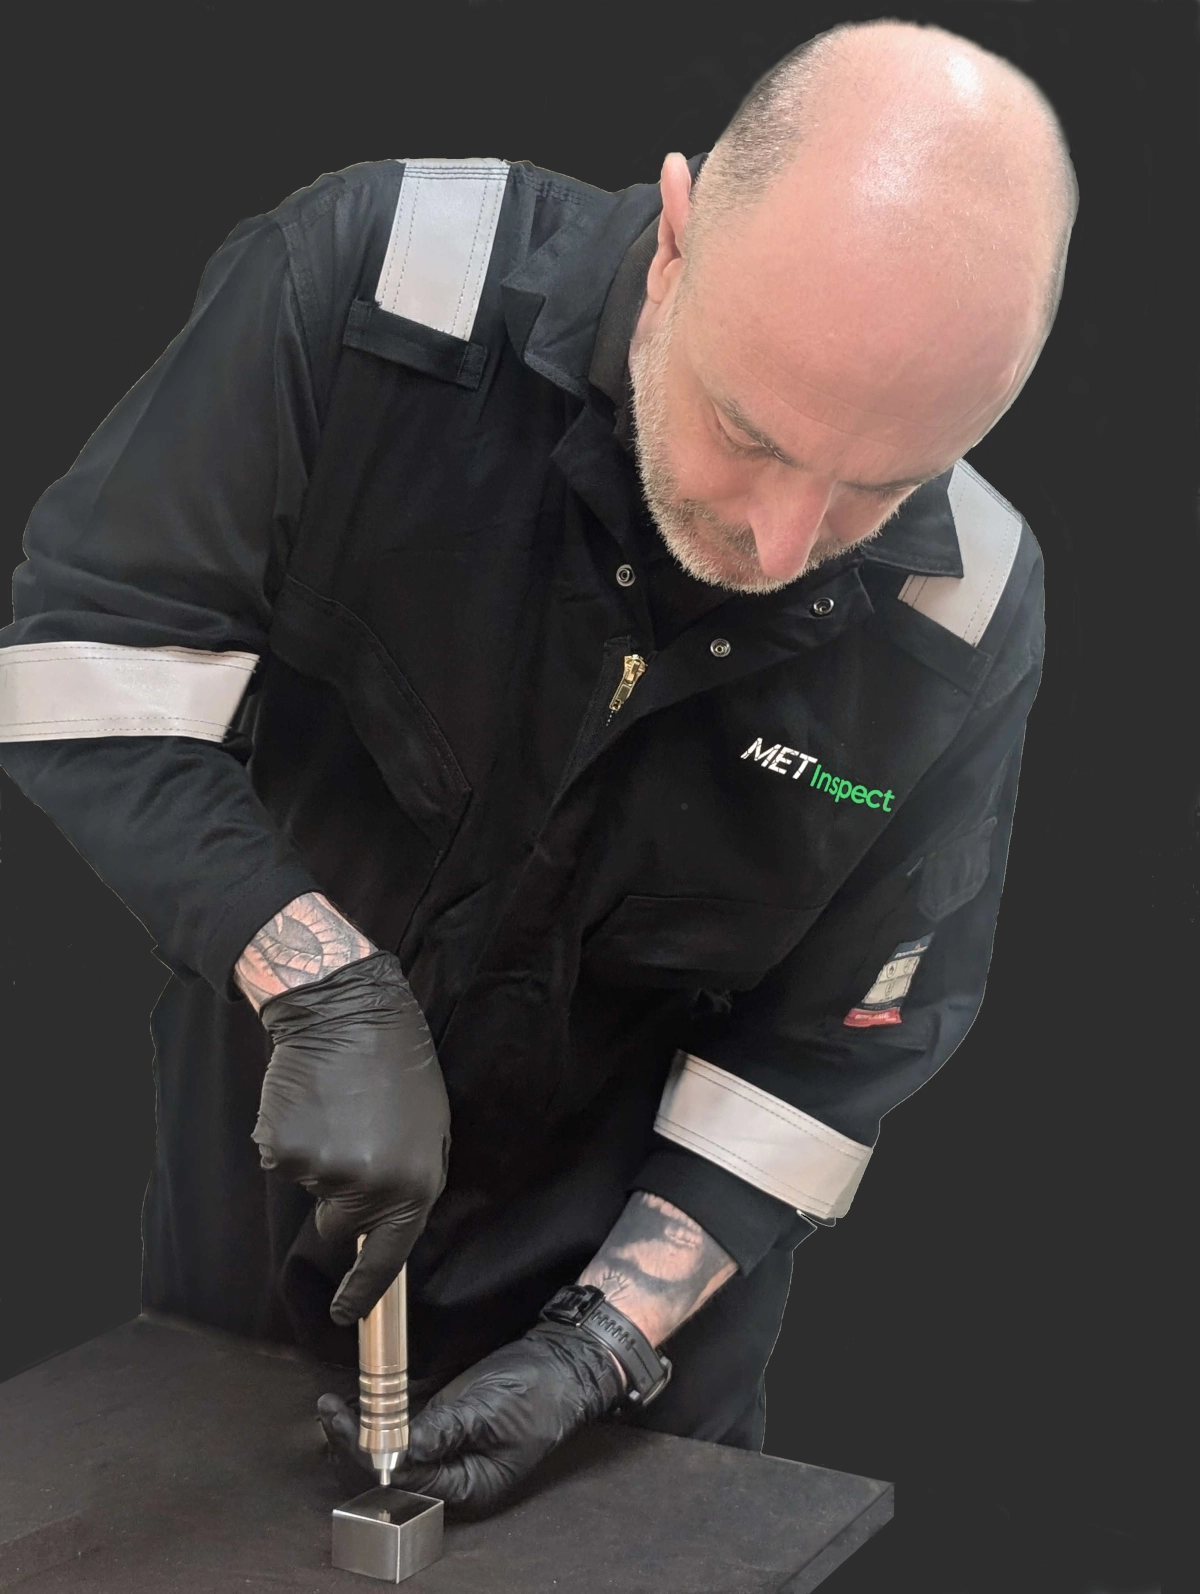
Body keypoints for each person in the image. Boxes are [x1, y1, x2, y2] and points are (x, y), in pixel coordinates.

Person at [0, 19, 1076, 1516]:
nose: (781, 544)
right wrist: (316, 981)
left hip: (641, 1405)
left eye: (876, 490)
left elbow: (827, 1060)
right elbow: (86, 657)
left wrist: (596, 1349)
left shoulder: (963, 612)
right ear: (681, 236)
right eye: (748, 433)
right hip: (251, 1275)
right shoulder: (383, 292)